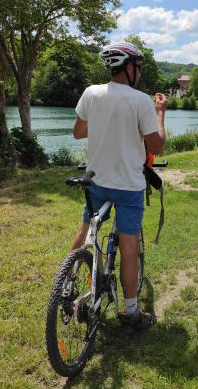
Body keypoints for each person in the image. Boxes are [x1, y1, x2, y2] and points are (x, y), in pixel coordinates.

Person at [70, 42, 167, 330]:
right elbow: (157, 146)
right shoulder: (141, 101)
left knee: (86, 229)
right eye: (138, 67)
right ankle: (131, 311)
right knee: (129, 247)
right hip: (128, 187)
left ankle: (66, 282)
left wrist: (104, 121)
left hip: (96, 182)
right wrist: (160, 113)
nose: (139, 72)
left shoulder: (91, 93)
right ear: (130, 67)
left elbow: (78, 132)